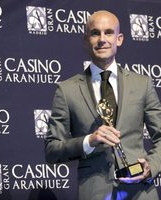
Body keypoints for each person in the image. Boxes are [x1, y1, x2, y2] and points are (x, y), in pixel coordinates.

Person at [45, 10, 161, 200]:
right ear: (86, 40)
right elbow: (51, 150)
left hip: (141, 192)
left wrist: (152, 165)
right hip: (94, 193)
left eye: (108, 32)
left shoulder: (142, 84)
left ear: (119, 39)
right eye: (95, 33)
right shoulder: (66, 90)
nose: (102, 39)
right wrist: (89, 141)